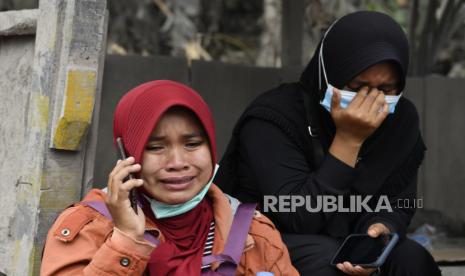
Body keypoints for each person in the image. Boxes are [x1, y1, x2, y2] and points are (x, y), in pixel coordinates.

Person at [215, 11, 442, 276]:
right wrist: (349, 139)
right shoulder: (274, 119)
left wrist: (380, 226)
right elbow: (297, 215)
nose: (371, 101)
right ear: (328, 75)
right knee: (327, 262)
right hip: (267, 237)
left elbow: (397, 202)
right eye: (357, 87)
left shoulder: (401, 119)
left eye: (387, 89)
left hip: (348, 237)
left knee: (411, 259)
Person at [41, 80, 299, 276]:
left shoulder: (252, 232)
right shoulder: (87, 227)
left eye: (193, 144)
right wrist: (126, 239)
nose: (177, 163)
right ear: (127, 153)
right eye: (155, 147)